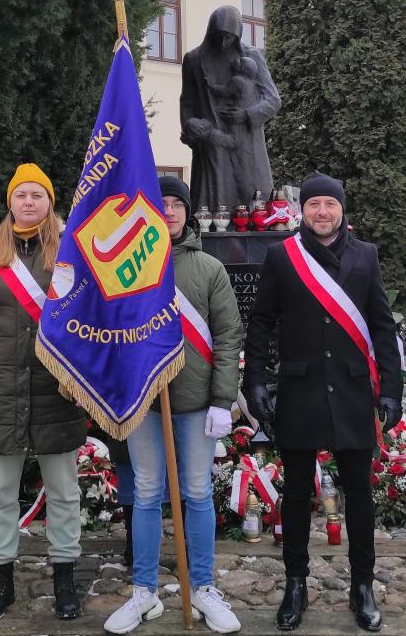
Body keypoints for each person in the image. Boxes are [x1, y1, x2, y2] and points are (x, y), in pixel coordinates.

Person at [243, 172, 403, 632]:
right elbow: (261, 323)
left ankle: (362, 585)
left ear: (341, 210)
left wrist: (390, 389)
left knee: (358, 495)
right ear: (302, 210)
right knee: (295, 494)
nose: (322, 212)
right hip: (300, 390)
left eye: (329, 205)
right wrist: (255, 380)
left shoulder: (366, 256)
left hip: (353, 393)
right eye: (313, 205)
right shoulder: (281, 256)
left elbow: (381, 327)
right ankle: (296, 583)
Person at [0, 163, 86, 623]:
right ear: (11, 201)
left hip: (56, 387)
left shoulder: (71, 251)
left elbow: (89, 317)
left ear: (50, 202)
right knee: (1, 491)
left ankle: (64, 574)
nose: (29, 202)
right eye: (21, 195)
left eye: (38, 195)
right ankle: (1, 580)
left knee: (64, 491)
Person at [104, 176, 242, 634]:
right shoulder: (129, 267)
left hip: (197, 402)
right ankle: (144, 590)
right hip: (146, 401)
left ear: (188, 212)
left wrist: (223, 399)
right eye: (159, 204)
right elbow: (114, 333)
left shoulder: (209, 268)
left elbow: (227, 336)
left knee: (198, 494)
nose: (168, 211)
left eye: (176, 204)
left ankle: (202, 586)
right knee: (145, 493)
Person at [180, 5, 280, 212]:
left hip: (247, 143)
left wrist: (247, 115)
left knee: (255, 203)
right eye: (220, 36)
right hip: (211, 143)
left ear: (238, 34)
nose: (224, 42)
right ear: (210, 32)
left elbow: (272, 99)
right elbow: (187, 101)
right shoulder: (194, 60)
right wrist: (192, 130)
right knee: (212, 205)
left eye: (229, 37)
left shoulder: (252, 57)